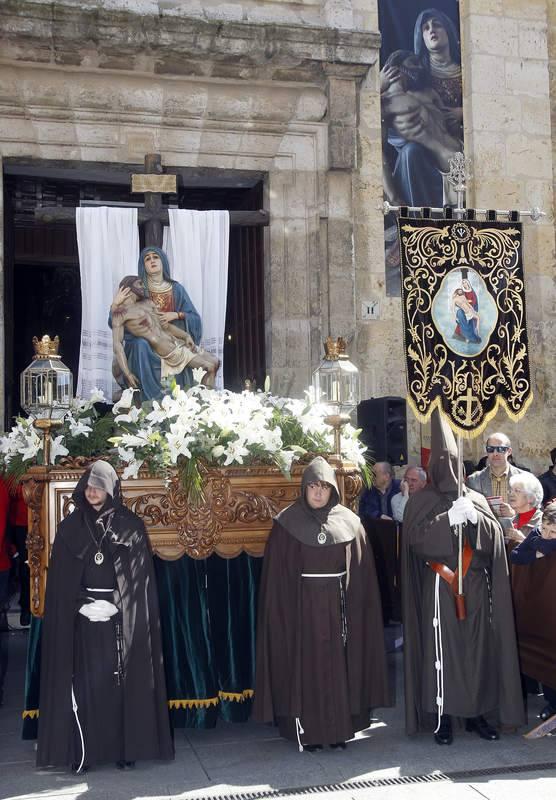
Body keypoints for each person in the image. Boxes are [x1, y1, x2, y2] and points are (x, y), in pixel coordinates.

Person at [37, 461, 174, 771]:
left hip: (117, 622)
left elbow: (139, 582)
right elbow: (59, 584)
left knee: (120, 689)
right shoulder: (70, 527)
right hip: (82, 622)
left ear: (111, 488)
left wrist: (118, 602)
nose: (93, 491)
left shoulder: (131, 526)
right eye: (88, 486)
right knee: (85, 688)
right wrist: (79, 605)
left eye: (99, 486)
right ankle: (84, 751)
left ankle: (123, 750)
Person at [402, 410, 525, 745]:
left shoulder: (476, 498)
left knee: (478, 651)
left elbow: (495, 542)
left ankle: (477, 715)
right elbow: (415, 543)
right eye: (445, 465)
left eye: (456, 466)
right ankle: (443, 717)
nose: (451, 472)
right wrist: (446, 520)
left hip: (474, 585)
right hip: (440, 586)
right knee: (443, 654)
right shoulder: (421, 501)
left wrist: (476, 520)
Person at [253, 456, 390, 751]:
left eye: (324, 487)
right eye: (313, 486)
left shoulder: (350, 522)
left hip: (340, 608)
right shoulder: (286, 523)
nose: (318, 492)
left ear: (332, 490)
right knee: (306, 668)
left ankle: (339, 730)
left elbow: (361, 573)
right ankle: (308, 732)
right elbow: (277, 578)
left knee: (340, 666)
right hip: (302, 610)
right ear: (304, 488)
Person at [382, 8, 462, 209]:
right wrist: (378, 86)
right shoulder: (420, 76)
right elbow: (369, 129)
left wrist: (464, 113)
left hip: (460, 146)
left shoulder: (428, 87)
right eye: (425, 28)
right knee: (411, 152)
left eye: (437, 24)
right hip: (426, 157)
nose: (432, 30)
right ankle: (417, 223)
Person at [110, 247, 202, 401]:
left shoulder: (177, 289)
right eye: (147, 259)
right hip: (144, 346)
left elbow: (195, 320)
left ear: (163, 261)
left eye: (155, 257)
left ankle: (178, 400)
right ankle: (147, 399)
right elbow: (115, 321)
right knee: (141, 344)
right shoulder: (137, 289)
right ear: (143, 265)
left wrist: (177, 314)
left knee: (207, 363)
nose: (152, 260)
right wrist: (115, 304)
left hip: (170, 341)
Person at [112, 276, 219, 389]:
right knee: (210, 367)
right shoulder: (120, 313)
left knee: (216, 362)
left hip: (176, 341)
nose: (143, 287)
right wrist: (128, 373)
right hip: (167, 349)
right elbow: (117, 345)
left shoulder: (148, 303)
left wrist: (186, 335)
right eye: (139, 284)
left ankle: (201, 399)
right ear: (128, 289)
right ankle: (203, 401)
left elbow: (166, 327)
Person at [510, 501, 556, 722]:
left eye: (553, 532)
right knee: (545, 658)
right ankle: (552, 705)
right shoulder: (537, 535)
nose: (547, 535)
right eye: (545, 528)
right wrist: (536, 554)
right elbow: (516, 555)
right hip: (541, 608)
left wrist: (541, 547)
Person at [467, 432, 525, 534]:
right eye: (491, 449)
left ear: (509, 451)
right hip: (485, 539)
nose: (495, 453)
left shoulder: (524, 479)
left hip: (514, 540)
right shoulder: (474, 480)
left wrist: (514, 514)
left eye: (501, 449)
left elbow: (535, 513)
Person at [504, 473, 544, 552]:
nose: (511, 494)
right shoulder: (510, 522)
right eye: (510, 490)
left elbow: (547, 555)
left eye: (517, 491)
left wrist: (523, 540)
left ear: (531, 497)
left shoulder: (543, 522)